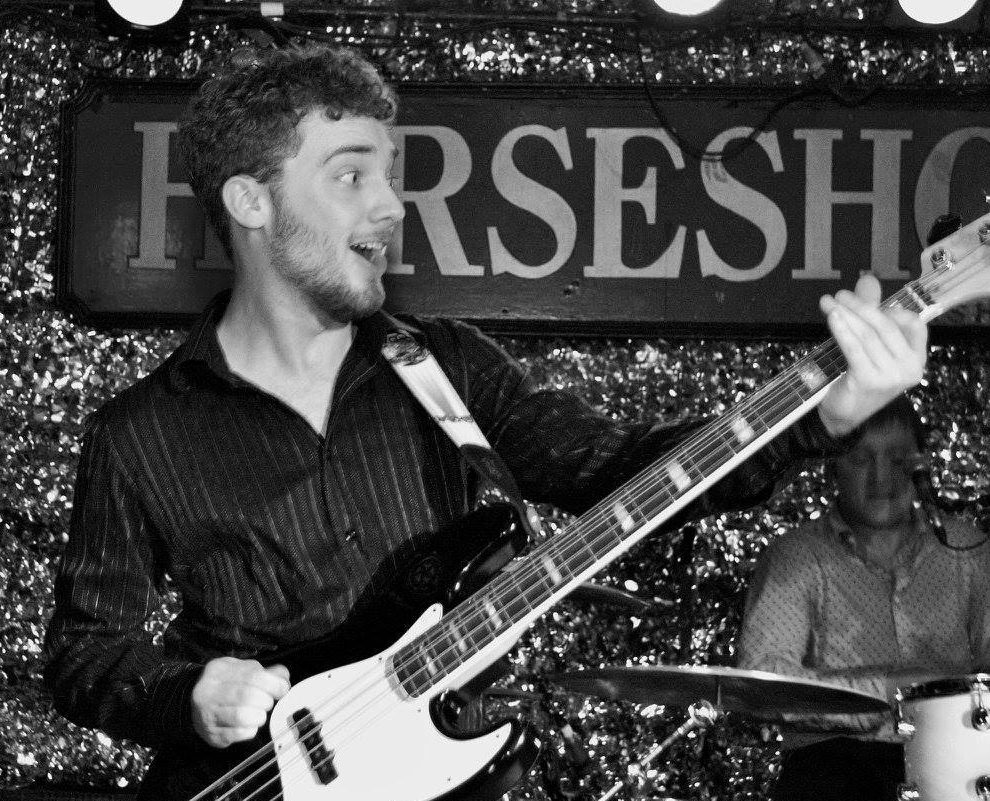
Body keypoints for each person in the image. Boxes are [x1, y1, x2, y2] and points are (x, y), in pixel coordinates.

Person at [43, 44, 928, 801]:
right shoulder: (140, 431)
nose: (390, 206)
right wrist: (191, 693)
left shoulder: (446, 369)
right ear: (250, 202)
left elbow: (623, 469)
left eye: (389, 177)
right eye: (350, 176)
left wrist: (822, 416)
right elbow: (84, 655)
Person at [738, 395, 990, 801]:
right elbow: (763, 680)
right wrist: (886, 693)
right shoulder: (796, 556)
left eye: (897, 459)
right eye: (861, 460)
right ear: (832, 466)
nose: (881, 477)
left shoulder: (967, 549)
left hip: (955, 762)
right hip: (833, 763)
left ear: (921, 465)